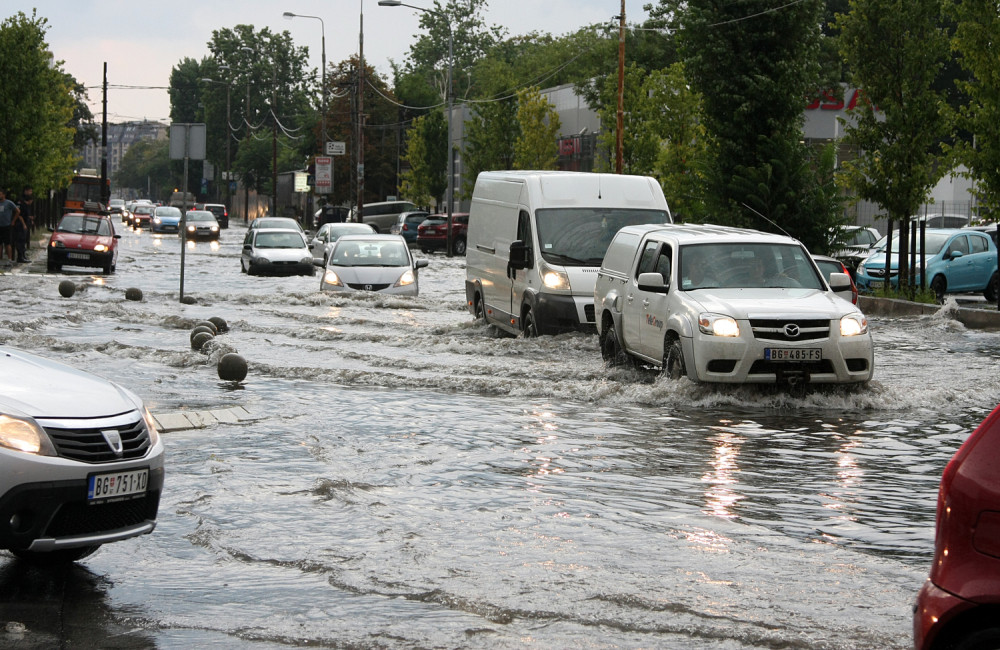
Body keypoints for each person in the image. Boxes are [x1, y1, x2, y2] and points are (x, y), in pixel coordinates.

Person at [0, 187, 21, 263]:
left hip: (6, 225)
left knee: (7, 243)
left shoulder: (9, 203)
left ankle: (9, 259)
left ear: (4, 195)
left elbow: (17, 211)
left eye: (1, 194)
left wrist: (13, 221)